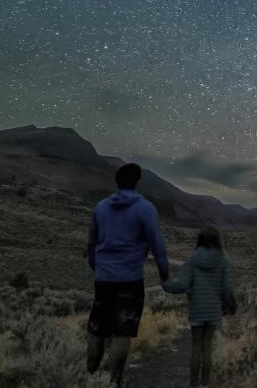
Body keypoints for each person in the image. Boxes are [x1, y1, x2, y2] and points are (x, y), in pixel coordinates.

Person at [86, 163, 170, 386]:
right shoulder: (145, 208)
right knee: (122, 333)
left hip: (103, 279)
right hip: (130, 280)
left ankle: (89, 376)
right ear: (137, 181)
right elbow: (158, 246)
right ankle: (114, 382)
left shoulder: (101, 208)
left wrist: (99, 270)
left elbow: (91, 245)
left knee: (96, 329)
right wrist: (165, 277)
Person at [162, 225, 235, 388]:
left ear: (200, 239)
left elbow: (181, 284)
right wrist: (230, 306)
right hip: (214, 312)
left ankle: (193, 384)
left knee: (196, 347)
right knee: (207, 347)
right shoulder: (225, 260)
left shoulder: (193, 259)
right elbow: (228, 289)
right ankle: (204, 384)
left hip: (197, 311)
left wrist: (166, 284)